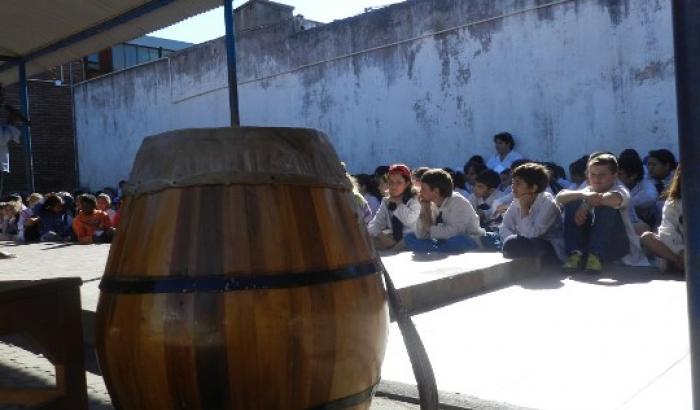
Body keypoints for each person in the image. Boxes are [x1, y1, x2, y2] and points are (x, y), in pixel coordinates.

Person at [555, 153, 647, 273]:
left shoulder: (620, 189)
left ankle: (595, 256)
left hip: (616, 246)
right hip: (589, 242)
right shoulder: (588, 190)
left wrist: (585, 205)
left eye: (602, 175)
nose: (597, 179)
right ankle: (576, 254)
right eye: (593, 174)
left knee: (606, 206)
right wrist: (583, 195)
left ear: (614, 176)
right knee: (573, 201)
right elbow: (559, 197)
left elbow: (611, 199)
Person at [405, 169, 496, 253]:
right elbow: (421, 235)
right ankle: (438, 250)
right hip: (442, 241)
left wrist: (429, 228)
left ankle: (437, 250)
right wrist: (425, 209)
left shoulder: (458, 202)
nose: (420, 193)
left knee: (456, 241)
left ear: (436, 191)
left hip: (469, 240)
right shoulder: (430, 203)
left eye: (424, 189)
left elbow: (454, 232)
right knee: (410, 237)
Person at [500, 163, 564, 261]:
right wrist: (510, 240)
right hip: (525, 241)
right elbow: (505, 226)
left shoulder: (548, 204)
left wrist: (524, 208)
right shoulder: (517, 200)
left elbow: (531, 234)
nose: (513, 187)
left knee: (521, 245)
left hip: (549, 248)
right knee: (511, 243)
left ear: (533, 188)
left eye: (518, 183)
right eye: (513, 183)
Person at [367, 164, 420, 251]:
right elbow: (374, 224)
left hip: (411, 239)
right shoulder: (386, 201)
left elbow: (409, 220)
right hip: (392, 239)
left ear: (407, 184)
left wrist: (398, 203)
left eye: (399, 182)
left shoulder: (415, 200)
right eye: (391, 182)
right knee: (367, 242)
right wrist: (381, 236)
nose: (394, 186)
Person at [641, 166, 684, 273]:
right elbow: (666, 232)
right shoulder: (674, 203)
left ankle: (684, 266)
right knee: (647, 237)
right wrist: (680, 252)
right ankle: (681, 263)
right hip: (679, 251)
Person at [617, 154, 658, 229]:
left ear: (633, 175)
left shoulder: (647, 187)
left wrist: (627, 203)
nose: (616, 178)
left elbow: (651, 197)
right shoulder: (616, 185)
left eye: (620, 174)